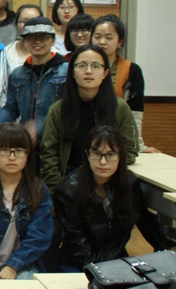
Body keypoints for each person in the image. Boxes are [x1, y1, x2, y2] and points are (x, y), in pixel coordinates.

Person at [54, 126, 176, 273]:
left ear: (120, 156)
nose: (103, 162)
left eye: (111, 154)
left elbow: (143, 218)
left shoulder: (129, 183)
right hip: (79, 263)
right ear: (87, 155)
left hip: (117, 260)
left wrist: (166, 245)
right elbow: (77, 240)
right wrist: (102, 272)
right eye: (96, 154)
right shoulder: (67, 190)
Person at [40, 45, 139, 193]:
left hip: (108, 182)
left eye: (96, 66)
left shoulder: (120, 108)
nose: (88, 71)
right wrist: (59, 191)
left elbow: (130, 149)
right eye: (82, 65)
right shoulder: (58, 110)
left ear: (105, 73)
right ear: (72, 72)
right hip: (68, 181)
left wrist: (107, 171)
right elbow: (49, 155)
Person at [0, 123, 53, 279]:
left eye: (19, 151)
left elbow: (39, 236)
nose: (12, 157)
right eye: (5, 150)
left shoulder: (39, 191)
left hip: (23, 266)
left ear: (27, 155)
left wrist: (14, 266)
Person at [92, 14, 159, 153]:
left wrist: (138, 144)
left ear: (120, 42)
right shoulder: (80, 67)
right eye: (97, 37)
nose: (102, 42)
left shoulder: (131, 70)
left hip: (116, 140)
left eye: (109, 37)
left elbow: (134, 112)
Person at [0, 17, 68, 148]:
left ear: (53, 40)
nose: (37, 42)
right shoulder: (17, 74)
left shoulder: (67, 71)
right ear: (24, 41)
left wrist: (39, 127)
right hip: (27, 142)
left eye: (44, 37)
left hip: (56, 142)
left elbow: (68, 109)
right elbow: (11, 109)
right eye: (31, 37)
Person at [3, 4, 43, 74]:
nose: (29, 25)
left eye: (35, 21)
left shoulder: (52, 53)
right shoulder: (6, 53)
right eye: (24, 21)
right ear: (16, 25)